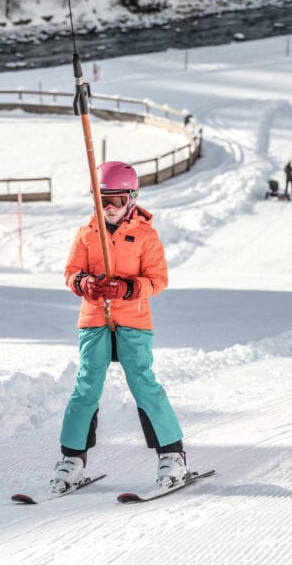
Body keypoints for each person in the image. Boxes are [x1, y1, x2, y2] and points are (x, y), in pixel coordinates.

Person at [51, 161, 186, 493]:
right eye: (102, 201)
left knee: (142, 381)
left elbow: (158, 279)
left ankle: (173, 454)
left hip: (133, 320)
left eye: (117, 201)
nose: (109, 209)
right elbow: (71, 271)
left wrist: (128, 288)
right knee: (86, 386)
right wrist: (83, 283)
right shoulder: (86, 234)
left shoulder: (145, 235)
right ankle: (72, 459)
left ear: (133, 199)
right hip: (94, 320)